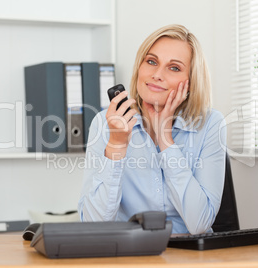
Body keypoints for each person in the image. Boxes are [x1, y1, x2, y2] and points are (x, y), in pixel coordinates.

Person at [77, 24, 227, 234]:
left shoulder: (210, 123)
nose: (157, 74)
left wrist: (166, 140)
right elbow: (94, 226)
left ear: (191, 82)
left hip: (187, 256)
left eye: (174, 67)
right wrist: (117, 145)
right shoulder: (105, 123)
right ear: (139, 67)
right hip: (127, 254)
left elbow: (199, 225)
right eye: (151, 62)